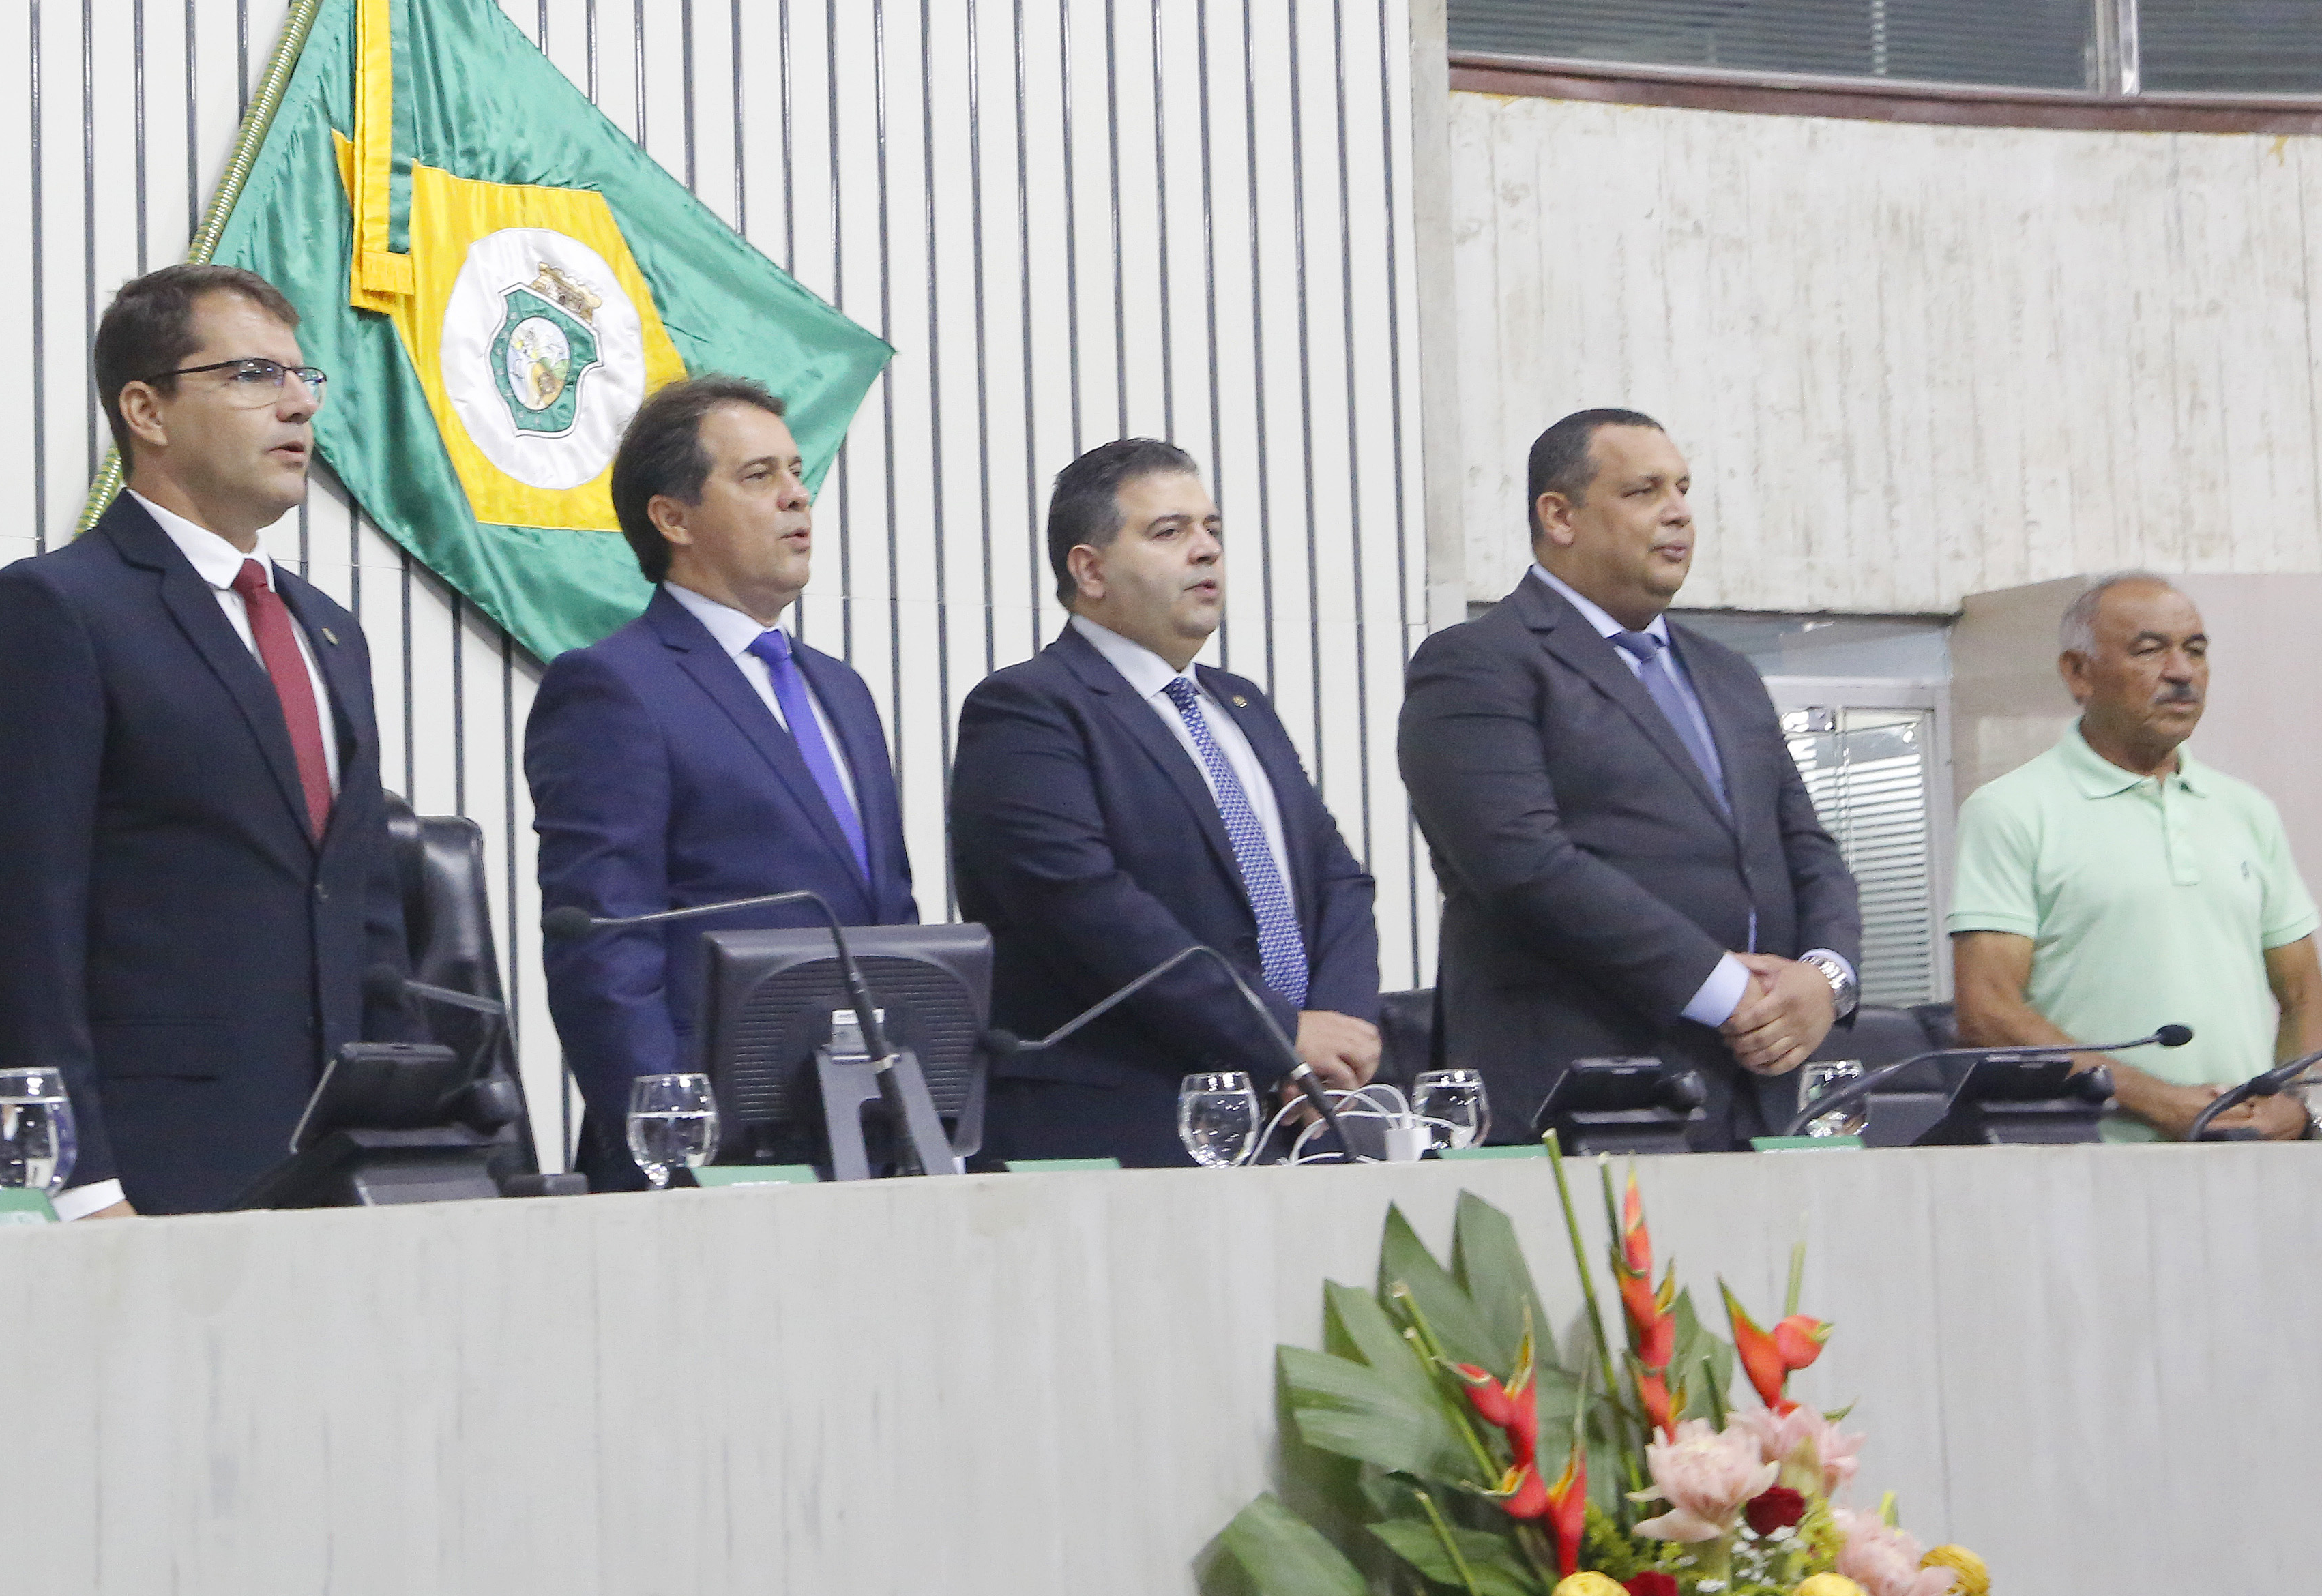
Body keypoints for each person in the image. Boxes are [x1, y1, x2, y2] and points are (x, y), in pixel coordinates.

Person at [0, 263, 409, 1216]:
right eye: (251, 377)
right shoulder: (58, 610)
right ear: (146, 411)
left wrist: (400, 1140)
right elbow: (12, 930)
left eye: (302, 378)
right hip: (152, 1172)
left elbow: (362, 910)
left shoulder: (328, 631)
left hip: (338, 1171)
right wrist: (72, 1182)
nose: (296, 405)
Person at [1398, 408, 1860, 1147]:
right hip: (1581, 1099)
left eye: (1683, 488)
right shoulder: (1480, 664)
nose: (1678, 513)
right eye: (1644, 491)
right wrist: (1723, 992)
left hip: (1766, 1099)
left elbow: (1807, 847)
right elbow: (1524, 867)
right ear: (1560, 516)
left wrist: (1824, 981)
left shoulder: (1729, 674)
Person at [945, 440, 1382, 1166]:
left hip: (1298, 1120)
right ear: (1089, 569)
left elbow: (1336, 879)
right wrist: (1281, 1035)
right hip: (1123, 1128)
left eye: (1212, 529)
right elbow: (1088, 910)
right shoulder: (1030, 709)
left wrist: (1334, 1036)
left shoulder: (1241, 704)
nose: (1206, 551)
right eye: (1170, 532)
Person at [526, 375, 914, 1186]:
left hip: (865, 1144)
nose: (797, 498)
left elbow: (890, 921)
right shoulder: (613, 686)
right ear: (672, 518)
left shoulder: (841, 691)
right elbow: (605, 948)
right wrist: (671, 1146)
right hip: (712, 1159)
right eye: (759, 477)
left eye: (798, 473)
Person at [1947, 572, 2319, 1142]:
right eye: (2150, 651)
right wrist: (2159, 1101)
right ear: (2079, 673)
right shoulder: (2011, 810)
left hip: (2250, 1158)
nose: (2182, 672)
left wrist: (2297, 1105)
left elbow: (2303, 991)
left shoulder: (2247, 811)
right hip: (2088, 1167)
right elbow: (1987, 1011)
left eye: (2196, 651)